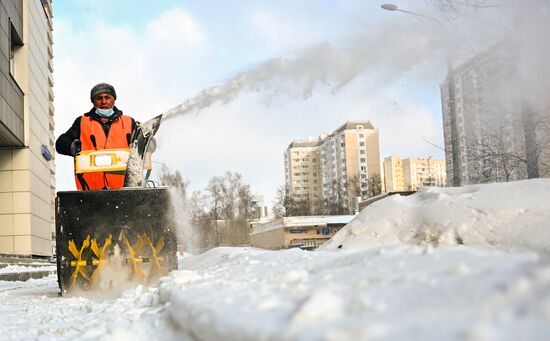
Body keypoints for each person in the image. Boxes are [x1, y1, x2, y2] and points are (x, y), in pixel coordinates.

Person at [56, 83, 137, 190]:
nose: (104, 102)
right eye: (99, 98)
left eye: (107, 97)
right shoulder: (82, 122)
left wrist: (150, 144)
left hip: (124, 190)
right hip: (90, 192)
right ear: (93, 101)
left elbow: (143, 146)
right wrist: (71, 147)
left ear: (114, 99)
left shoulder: (128, 122)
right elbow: (60, 143)